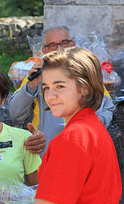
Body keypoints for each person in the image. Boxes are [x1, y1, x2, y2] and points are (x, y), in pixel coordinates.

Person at [0, 47, 124, 204]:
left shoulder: (74, 137)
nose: (50, 95)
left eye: (60, 86)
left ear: (84, 88)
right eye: (45, 87)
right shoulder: (93, 128)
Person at [9, 25, 115, 155]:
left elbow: (107, 107)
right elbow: (15, 112)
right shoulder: (37, 75)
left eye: (64, 43)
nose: (59, 49)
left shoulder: (86, 75)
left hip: (83, 148)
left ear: (73, 44)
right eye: (52, 45)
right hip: (46, 151)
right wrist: (32, 85)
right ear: (44, 50)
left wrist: (91, 127)